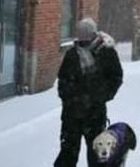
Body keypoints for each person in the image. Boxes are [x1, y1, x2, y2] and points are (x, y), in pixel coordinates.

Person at [54, 17, 123, 167]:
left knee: (97, 152)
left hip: (95, 113)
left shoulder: (106, 53)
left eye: (85, 35)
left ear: (93, 34)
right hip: (71, 114)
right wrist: (70, 98)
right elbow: (63, 81)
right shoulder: (72, 55)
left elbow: (116, 77)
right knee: (68, 152)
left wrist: (100, 96)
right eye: (80, 35)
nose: (82, 39)